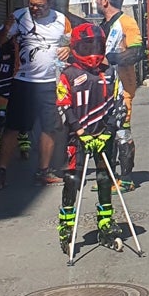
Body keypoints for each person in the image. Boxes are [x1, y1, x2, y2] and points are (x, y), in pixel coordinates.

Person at [0, 0, 72, 191]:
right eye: (32, 4)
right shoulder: (19, 17)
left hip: (49, 83)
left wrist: (68, 47)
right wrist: (6, 29)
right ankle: (1, 171)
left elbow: (71, 42)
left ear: (49, 3)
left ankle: (43, 171)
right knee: (13, 127)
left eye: (40, 6)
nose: (35, 9)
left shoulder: (61, 20)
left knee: (49, 127)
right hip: (23, 82)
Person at [56, 23, 126, 253]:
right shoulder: (68, 74)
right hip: (77, 137)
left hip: (104, 132)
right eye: (87, 46)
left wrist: (108, 130)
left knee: (106, 176)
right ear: (76, 47)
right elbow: (63, 107)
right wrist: (80, 132)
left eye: (96, 45)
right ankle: (67, 223)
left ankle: (105, 219)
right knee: (73, 178)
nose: (92, 51)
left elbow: (119, 105)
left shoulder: (110, 73)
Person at [96, 0, 143, 190]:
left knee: (122, 131)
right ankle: (107, 176)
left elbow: (136, 52)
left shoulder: (127, 22)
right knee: (104, 131)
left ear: (105, 0)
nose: (96, 2)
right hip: (102, 87)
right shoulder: (101, 25)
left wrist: (110, 59)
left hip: (122, 86)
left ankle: (126, 179)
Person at [0, 31, 28, 162]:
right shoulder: (2, 50)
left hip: (20, 87)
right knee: (1, 116)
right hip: (3, 86)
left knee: (21, 118)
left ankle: (24, 146)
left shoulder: (26, 51)